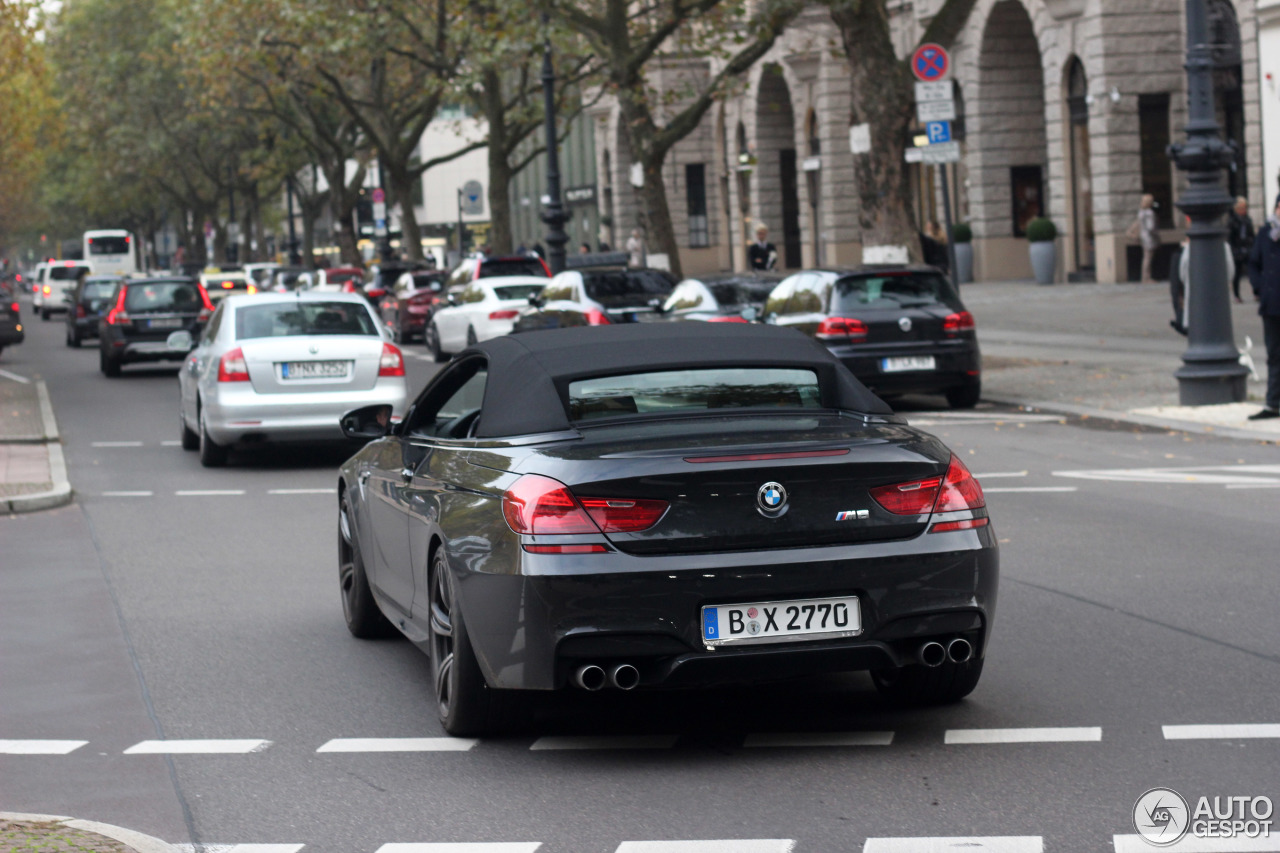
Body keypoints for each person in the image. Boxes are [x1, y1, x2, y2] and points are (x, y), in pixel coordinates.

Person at [1245, 194, 1280, 420]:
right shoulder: (1265, 233)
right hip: (1272, 305)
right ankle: (1273, 403)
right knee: (1274, 355)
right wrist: (1260, 287)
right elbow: (1253, 263)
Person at [1228, 196, 1256, 303]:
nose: (1244, 210)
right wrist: (1234, 250)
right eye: (1242, 208)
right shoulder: (1232, 221)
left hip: (1247, 249)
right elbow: (1230, 237)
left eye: (1245, 208)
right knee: (1237, 273)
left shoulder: (1248, 220)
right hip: (1237, 250)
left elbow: (1251, 235)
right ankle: (1237, 295)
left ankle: (1256, 292)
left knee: (1252, 271)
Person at [1137, 194, 1160, 283]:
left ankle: (1145, 277)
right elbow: (1151, 227)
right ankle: (1146, 277)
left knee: (1146, 257)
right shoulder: (1149, 213)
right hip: (1149, 237)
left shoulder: (1141, 212)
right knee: (1148, 258)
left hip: (1143, 236)